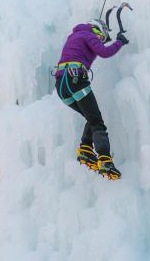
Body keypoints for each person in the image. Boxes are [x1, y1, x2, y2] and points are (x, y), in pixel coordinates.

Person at [54, 18, 129, 180]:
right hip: (75, 79)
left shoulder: (75, 36)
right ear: (97, 29)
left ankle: (86, 150)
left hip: (62, 86)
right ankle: (105, 159)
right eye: (102, 36)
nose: (101, 40)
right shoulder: (89, 34)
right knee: (97, 121)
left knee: (91, 116)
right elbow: (104, 52)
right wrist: (119, 42)